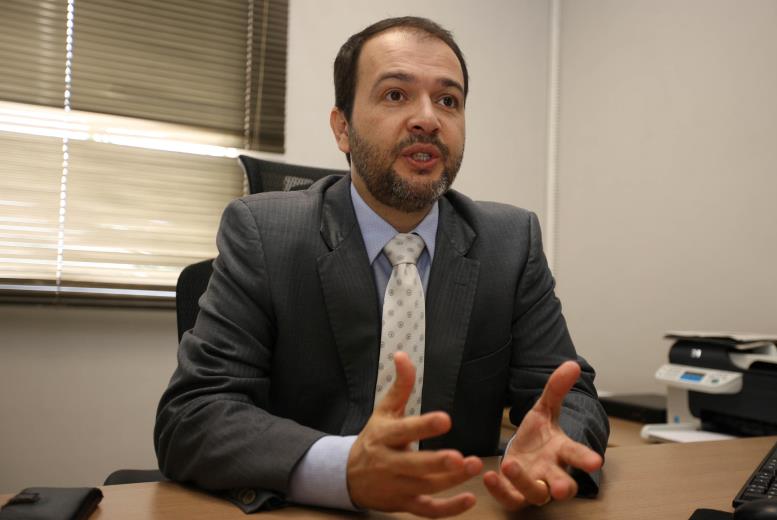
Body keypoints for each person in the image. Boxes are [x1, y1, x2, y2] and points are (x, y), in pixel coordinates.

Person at [155, 16, 609, 517]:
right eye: (396, 95)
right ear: (342, 128)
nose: (428, 119)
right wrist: (340, 467)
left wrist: (546, 449)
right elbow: (193, 416)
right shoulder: (263, 234)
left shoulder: (510, 243)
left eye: (448, 100)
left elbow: (568, 395)